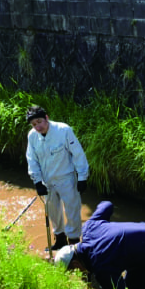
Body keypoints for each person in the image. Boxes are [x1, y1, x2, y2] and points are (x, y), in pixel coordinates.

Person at [25, 105, 89, 250]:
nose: (38, 126)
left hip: (67, 178)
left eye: (40, 122)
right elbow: (32, 159)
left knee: (72, 211)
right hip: (47, 182)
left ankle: (73, 244)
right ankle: (60, 240)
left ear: (46, 117)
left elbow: (77, 153)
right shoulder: (32, 136)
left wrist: (82, 177)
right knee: (53, 212)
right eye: (34, 124)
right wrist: (37, 181)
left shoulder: (64, 130)